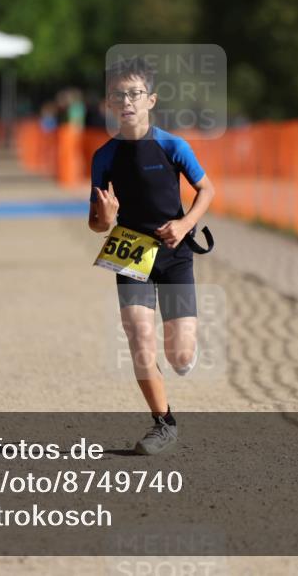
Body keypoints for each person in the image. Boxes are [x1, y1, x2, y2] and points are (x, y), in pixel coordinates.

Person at [88, 57, 216, 456]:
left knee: (180, 356)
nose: (126, 100)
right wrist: (104, 218)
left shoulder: (173, 146)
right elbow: (95, 222)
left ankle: (184, 350)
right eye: (118, 95)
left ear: (151, 99)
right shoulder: (104, 157)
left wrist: (184, 225)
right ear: (110, 103)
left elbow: (207, 190)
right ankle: (164, 423)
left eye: (134, 93)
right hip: (130, 251)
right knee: (138, 335)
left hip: (174, 251)